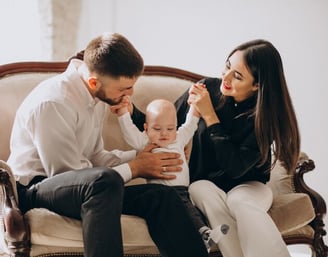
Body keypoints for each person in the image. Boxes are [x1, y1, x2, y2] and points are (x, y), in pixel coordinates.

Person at [6, 32, 210, 257]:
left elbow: (95, 157)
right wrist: (135, 168)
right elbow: (68, 175)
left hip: (90, 186)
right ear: (94, 82)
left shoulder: (98, 95)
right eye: (124, 89)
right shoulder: (53, 103)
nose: (130, 95)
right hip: (35, 188)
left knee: (162, 196)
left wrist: (143, 155)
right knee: (105, 181)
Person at [130, 39, 300, 257]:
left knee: (238, 200)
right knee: (199, 188)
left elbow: (235, 168)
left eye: (237, 76)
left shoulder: (262, 118)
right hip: (205, 186)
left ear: (257, 85)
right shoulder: (207, 88)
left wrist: (209, 115)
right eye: (228, 66)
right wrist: (129, 110)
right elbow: (162, 125)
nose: (225, 77)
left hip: (249, 187)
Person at [111, 98, 229, 252]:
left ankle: (204, 234)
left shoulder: (179, 139)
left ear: (175, 128)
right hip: (163, 193)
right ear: (146, 128)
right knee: (185, 211)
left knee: (192, 210)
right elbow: (130, 133)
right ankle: (204, 234)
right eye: (157, 129)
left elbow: (190, 125)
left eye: (170, 128)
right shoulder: (146, 142)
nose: (164, 134)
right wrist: (122, 114)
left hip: (183, 190)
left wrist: (194, 107)